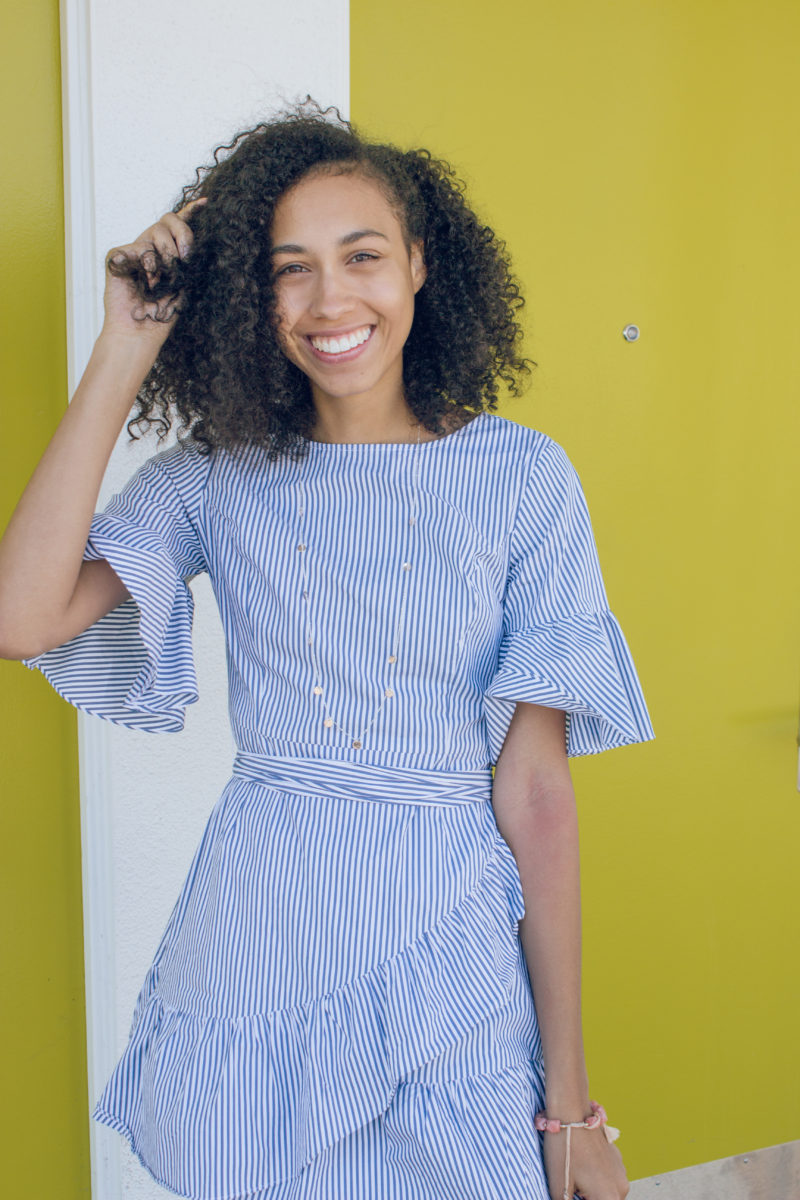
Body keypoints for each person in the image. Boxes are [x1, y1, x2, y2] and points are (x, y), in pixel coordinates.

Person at [0, 101, 654, 1200]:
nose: (328, 300)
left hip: (449, 940)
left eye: (359, 257)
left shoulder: (522, 477)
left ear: (418, 267)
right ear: (252, 298)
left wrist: (568, 1101)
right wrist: (124, 348)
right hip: (258, 940)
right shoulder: (217, 476)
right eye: (286, 269)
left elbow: (535, 793)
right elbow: (22, 619)